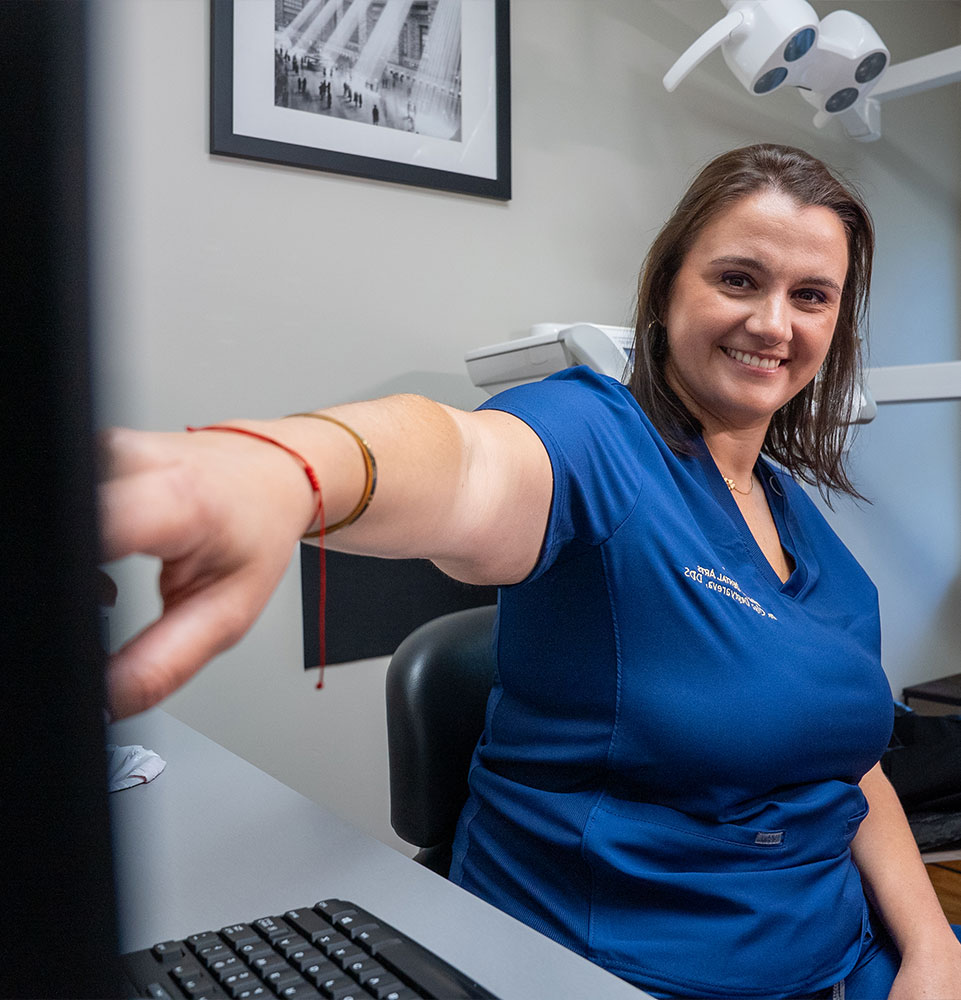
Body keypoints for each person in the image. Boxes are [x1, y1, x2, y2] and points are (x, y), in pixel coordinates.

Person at [100, 144, 961, 999]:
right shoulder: (601, 441)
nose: (774, 322)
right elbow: (466, 462)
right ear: (666, 293)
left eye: (810, 297)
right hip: (629, 970)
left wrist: (929, 950)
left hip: (847, 955)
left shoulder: (795, 517)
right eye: (738, 280)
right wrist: (288, 473)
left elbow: (847, 759)